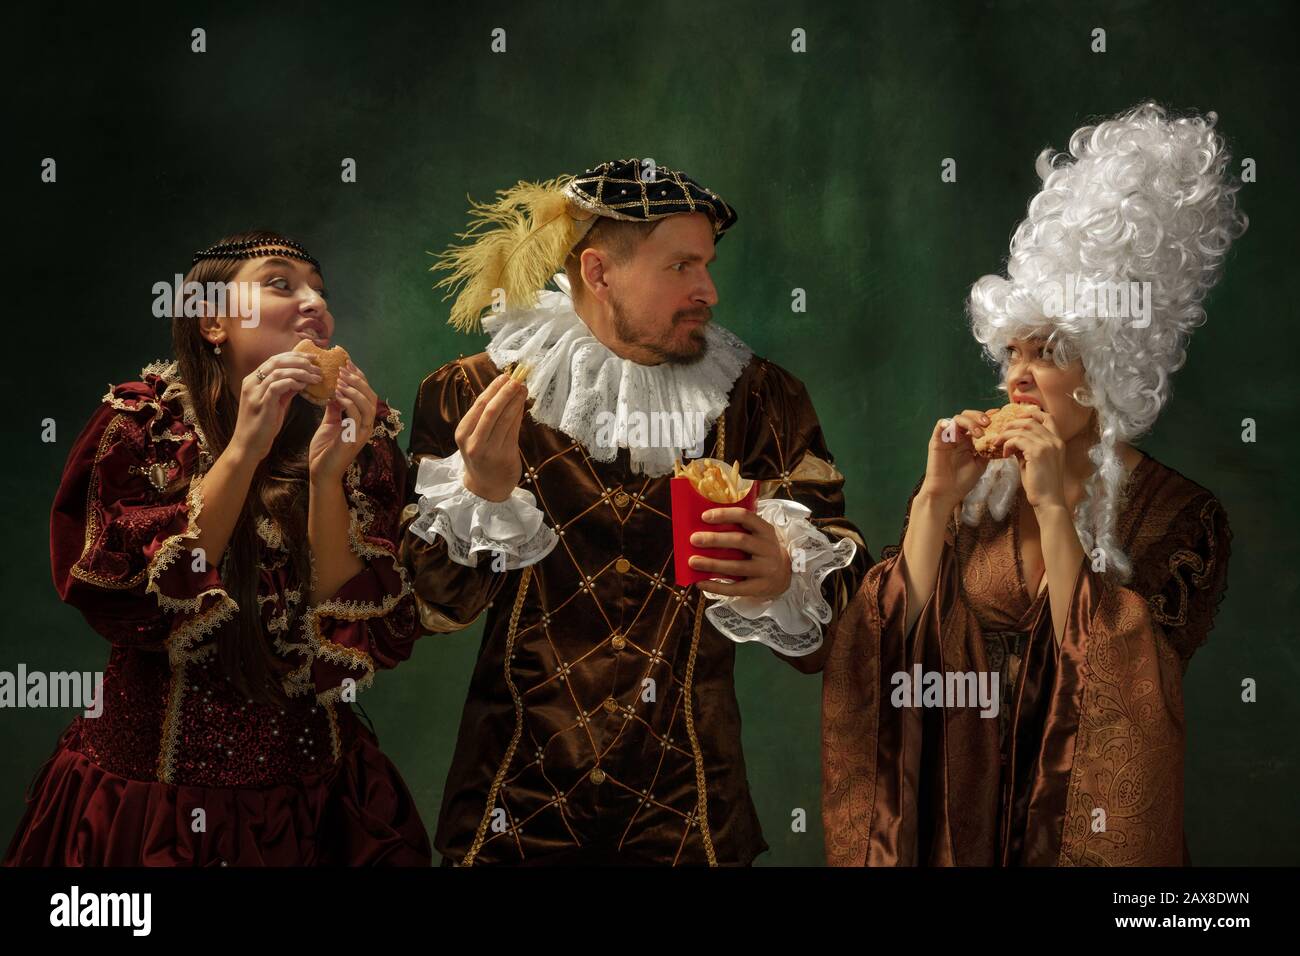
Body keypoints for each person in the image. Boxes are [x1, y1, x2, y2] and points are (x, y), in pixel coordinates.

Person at [402, 159, 870, 865]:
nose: (708, 290)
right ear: (597, 272)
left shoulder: (761, 401)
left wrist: (783, 577)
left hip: (691, 819)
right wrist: (484, 493)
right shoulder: (471, 394)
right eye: (681, 266)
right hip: (512, 813)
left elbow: (852, 619)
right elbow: (432, 610)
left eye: (707, 265)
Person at [822, 103, 1247, 866]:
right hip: (958, 831)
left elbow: (1123, 691)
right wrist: (934, 502)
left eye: (1047, 351)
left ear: (1110, 367)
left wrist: (1055, 506)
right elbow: (886, 648)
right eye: (1012, 350)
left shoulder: (1185, 519)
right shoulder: (980, 498)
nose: (1017, 376)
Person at [5, 231, 430, 865]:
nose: (315, 303)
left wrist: (326, 477)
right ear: (212, 322)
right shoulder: (141, 426)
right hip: (152, 813)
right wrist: (242, 451)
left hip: (317, 810)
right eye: (281, 284)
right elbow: (131, 606)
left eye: (320, 290)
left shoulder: (360, 439)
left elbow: (352, 628)